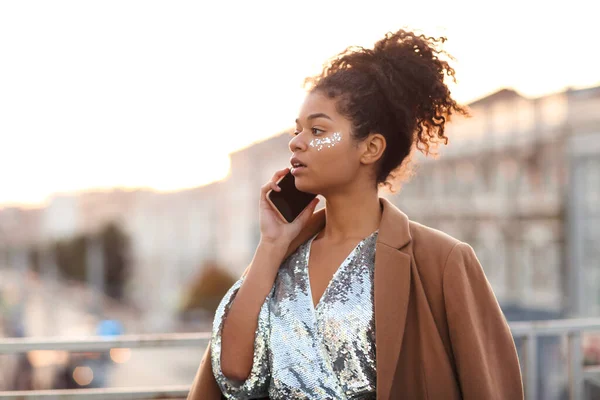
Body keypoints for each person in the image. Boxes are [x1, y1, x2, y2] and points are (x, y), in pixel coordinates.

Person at [188, 28, 523, 400]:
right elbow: (234, 372)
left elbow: (490, 386)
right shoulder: (282, 255)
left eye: (318, 130)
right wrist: (270, 243)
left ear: (371, 148)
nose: (296, 142)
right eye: (298, 130)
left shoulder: (441, 262)